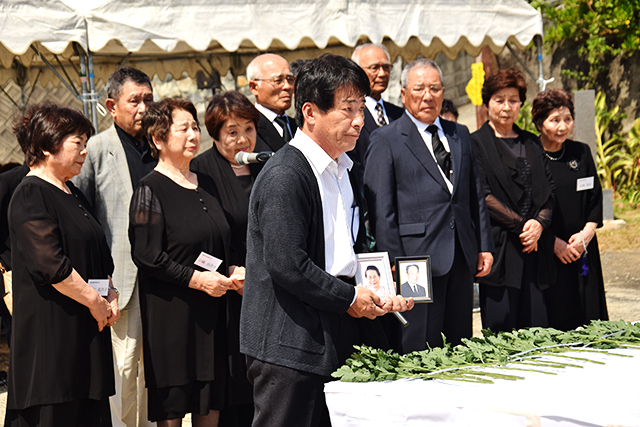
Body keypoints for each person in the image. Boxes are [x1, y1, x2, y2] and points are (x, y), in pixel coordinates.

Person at [239, 54, 413, 427]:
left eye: (362, 109)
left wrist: (378, 289)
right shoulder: (286, 174)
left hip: (332, 333)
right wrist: (350, 298)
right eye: (347, 109)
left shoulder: (343, 169)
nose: (358, 121)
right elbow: (288, 263)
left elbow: (346, 253)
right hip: (291, 345)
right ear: (310, 112)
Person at [364, 58, 494, 352]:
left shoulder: (458, 133)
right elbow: (382, 211)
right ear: (403, 93)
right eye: (419, 88)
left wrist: (484, 245)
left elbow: (475, 193)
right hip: (414, 259)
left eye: (435, 88)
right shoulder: (386, 139)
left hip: (461, 252)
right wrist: (393, 262)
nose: (427, 95)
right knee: (418, 339)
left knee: (459, 337)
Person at [129, 98, 244, 427]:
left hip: (213, 313)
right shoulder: (149, 189)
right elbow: (147, 255)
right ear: (158, 139)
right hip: (173, 316)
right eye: (184, 129)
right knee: (175, 405)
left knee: (211, 401)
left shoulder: (204, 182)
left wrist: (231, 270)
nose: (194, 134)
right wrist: (198, 280)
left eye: (195, 127)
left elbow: (219, 243)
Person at [5, 102, 119, 426]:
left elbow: (100, 253)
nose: (85, 151)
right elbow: (51, 265)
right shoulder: (30, 194)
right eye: (77, 143)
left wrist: (110, 294)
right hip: (53, 339)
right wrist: (96, 302)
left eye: (86, 143)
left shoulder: (73, 192)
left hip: (86, 332)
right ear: (46, 146)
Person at [72, 66, 156, 427]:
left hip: (165, 276)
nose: (143, 108)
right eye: (134, 100)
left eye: (149, 100)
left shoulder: (161, 145)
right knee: (123, 369)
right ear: (111, 105)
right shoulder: (95, 149)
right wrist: (99, 287)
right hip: (121, 280)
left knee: (157, 369)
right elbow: (82, 221)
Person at [190, 91, 261, 427]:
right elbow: (198, 236)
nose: (243, 139)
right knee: (231, 379)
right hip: (227, 291)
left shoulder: (264, 165)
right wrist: (229, 269)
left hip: (267, 286)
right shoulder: (200, 172)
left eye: (249, 128)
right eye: (232, 132)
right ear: (215, 134)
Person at [470, 68, 556, 333]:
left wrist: (539, 225)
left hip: (535, 251)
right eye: (499, 100)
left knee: (538, 333)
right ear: (487, 104)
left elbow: (550, 192)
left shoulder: (532, 142)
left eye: (513, 100)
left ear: (521, 104)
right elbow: (482, 195)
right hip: (500, 251)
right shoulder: (475, 143)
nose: (506, 107)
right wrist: (523, 227)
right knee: (501, 335)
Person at [532, 88, 608, 330]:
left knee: (590, 315)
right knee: (558, 320)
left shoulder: (581, 152)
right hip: (549, 251)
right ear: (539, 122)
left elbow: (595, 197)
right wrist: (554, 243)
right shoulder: (531, 157)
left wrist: (587, 234)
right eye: (554, 120)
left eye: (567, 119)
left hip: (583, 249)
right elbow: (528, 208)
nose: (563, 126)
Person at [348, 43, 404, 176]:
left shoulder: (399, 114)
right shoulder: (349, 117)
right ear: (357, 71)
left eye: (386, 67)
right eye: (375, 68)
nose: (382, 73)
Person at [247, 53, 296, 151]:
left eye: (290, 79)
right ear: (254, 87)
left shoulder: (300, 126)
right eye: (278, 80)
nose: (287, 86)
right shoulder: (247, 129)